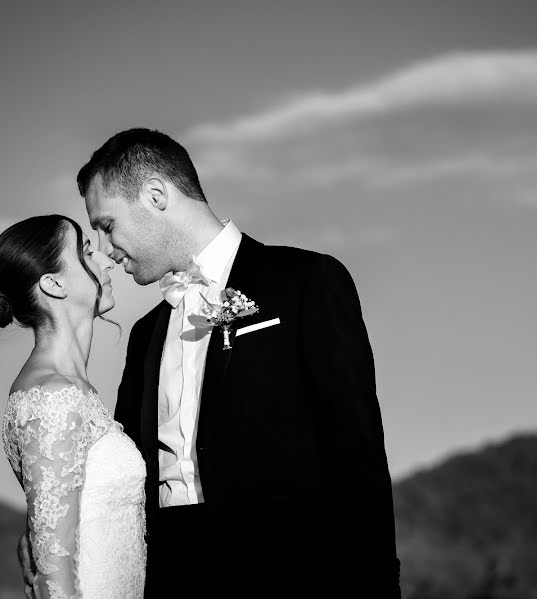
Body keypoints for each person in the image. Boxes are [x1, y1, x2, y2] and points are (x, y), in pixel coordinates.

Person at [21, 128, 402, 598]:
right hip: (171, 579)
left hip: (294, 575)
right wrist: (46, 524)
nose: (107, 249)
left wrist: (378, 585)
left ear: (156, 195)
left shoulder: (306, 282)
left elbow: (357, 450)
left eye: (106, 225)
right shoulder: (145, 336)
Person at [0, 215, 147, 599]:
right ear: (53, 283)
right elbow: (54, 571)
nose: (106, 258)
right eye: (85, 250)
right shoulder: (53, 398)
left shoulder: (74, 392)